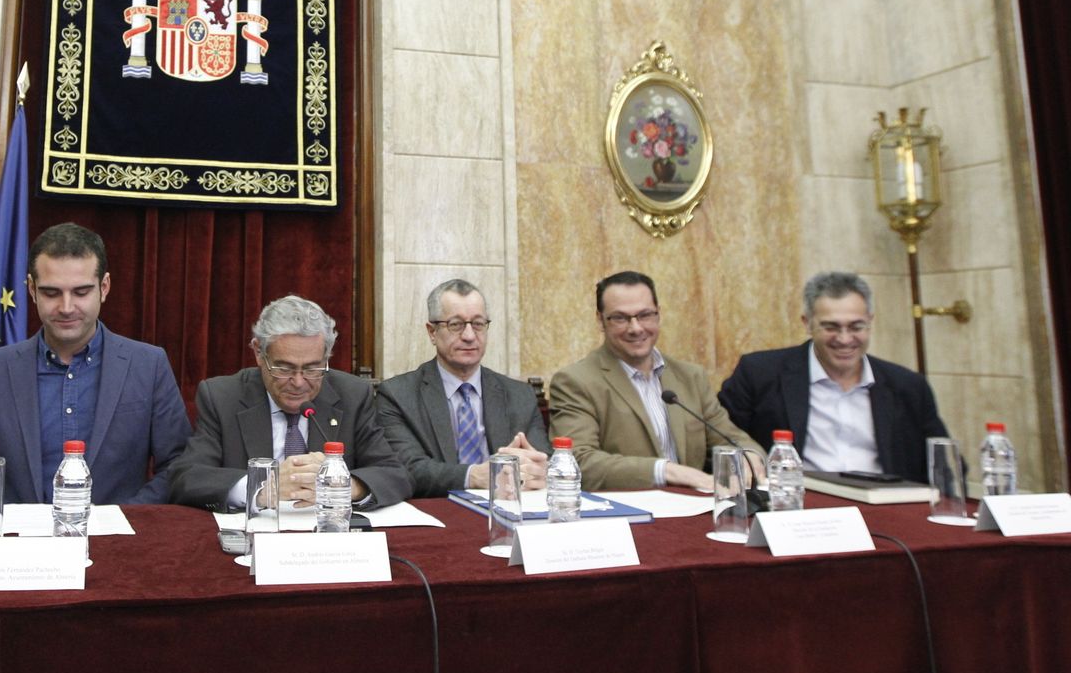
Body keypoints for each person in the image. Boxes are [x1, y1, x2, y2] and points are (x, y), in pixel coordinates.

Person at [0, 223, 190, 504]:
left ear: (104, 288)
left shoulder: (148, 366)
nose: (66, 307)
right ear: (31, 289)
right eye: (52, 293)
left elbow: (178, 466)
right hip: (17, 542)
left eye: (81, 292)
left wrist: (122, 521)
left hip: (119, 540)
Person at [170, 294, 410, 510]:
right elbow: (187, 478)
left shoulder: (352, 395)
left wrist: (343, 485)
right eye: (283, 368)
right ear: (258, 353)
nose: (298, 382)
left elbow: (395, 474)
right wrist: (263, 488)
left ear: (326, 356)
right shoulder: (222, 397)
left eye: (313, 368)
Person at [718, 271, 948, 482]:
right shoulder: (760, 373)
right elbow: (720, 443)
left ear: (870, 321)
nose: (845, 339)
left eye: (856, 327)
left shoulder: (907, 386)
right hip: (797, 505)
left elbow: (944, 466)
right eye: (831, 327)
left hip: (885, 506)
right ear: (807, 323)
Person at [547, 271, 759, 491]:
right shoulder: (575, 381)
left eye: (645, 315)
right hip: (629, 516)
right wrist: (667, 471)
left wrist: (749, 457)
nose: (636, 328)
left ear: (659, 314)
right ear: (600, 320)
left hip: (696, 508)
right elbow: (578, 463)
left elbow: (733, 439)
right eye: (620, 318)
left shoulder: (691, 376)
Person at [376, 278, 550, 496]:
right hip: (439, 513)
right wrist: (475, 475)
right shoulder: (398, 395)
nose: (469, 336)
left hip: (508, 509)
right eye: (455, 325)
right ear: (432, 332)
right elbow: (407, 469)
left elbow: (542, 460)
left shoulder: (519, 396)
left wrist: (535, 470)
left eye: (478, 324)